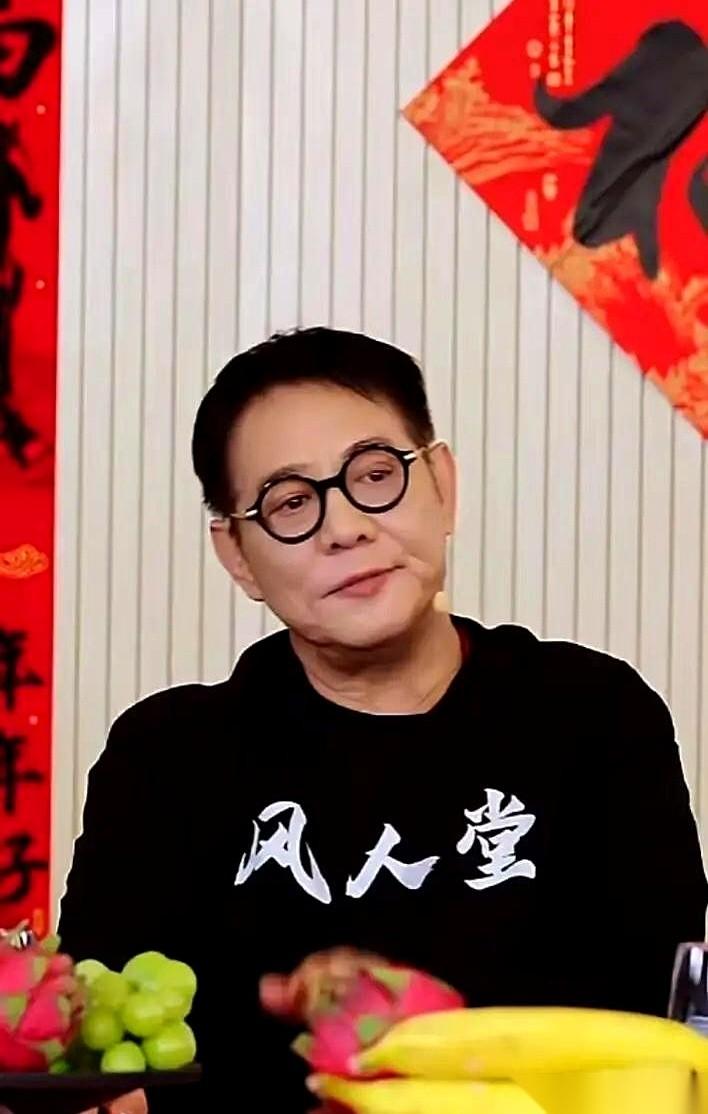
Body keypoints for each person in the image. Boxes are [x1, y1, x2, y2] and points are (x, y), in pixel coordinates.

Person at [58, 327, 708, 1113]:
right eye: (291, 503)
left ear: (443, 485)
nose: (345, 528)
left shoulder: (595, 716)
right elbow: (103, 1062)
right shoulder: (166, 758)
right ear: (236, 556)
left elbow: (663, 1034)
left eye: (375, 475)